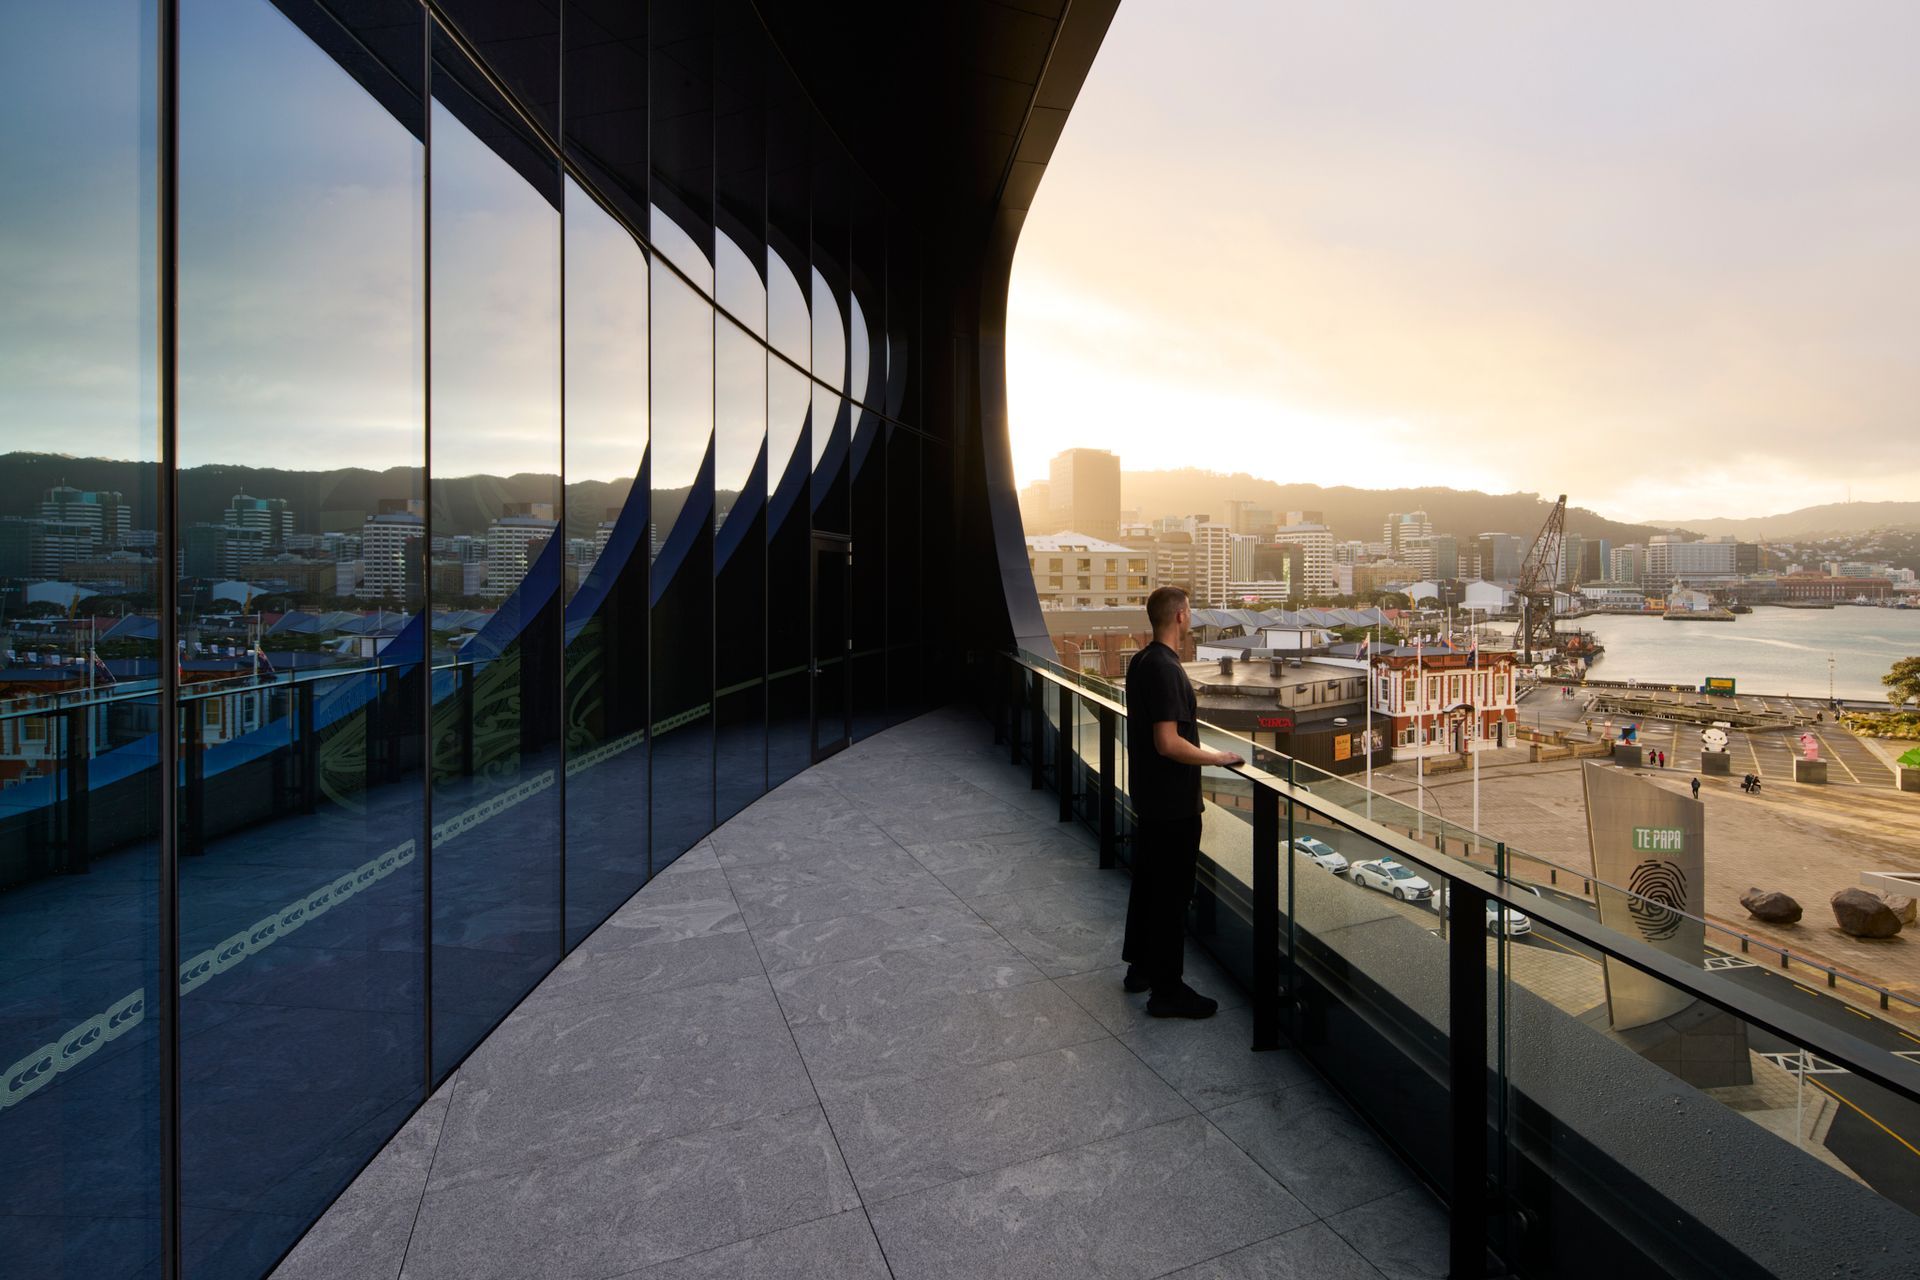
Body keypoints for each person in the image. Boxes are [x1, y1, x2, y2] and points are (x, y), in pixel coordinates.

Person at [1121, 585, 1242, 1019]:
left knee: (1150, 885)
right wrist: (1217, 757)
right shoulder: (1167, 669)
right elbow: (1168, 742)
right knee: (1172, 896)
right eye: (1189, 611)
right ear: (1180, 617)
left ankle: (1140, 970)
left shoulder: (1140, 661)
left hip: (1151, 797)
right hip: (1174, 804)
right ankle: (1167, 992)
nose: (1190, 617)